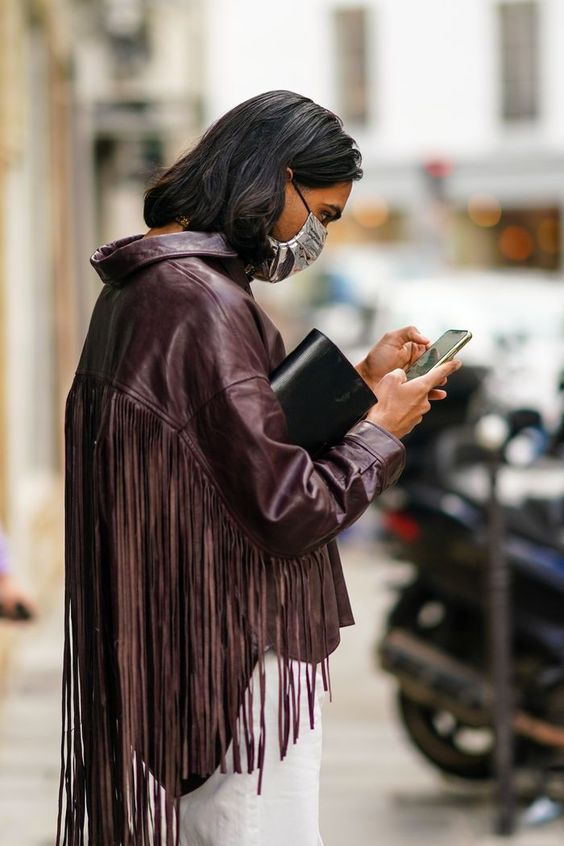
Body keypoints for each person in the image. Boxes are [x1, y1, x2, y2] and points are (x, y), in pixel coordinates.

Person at [56, 90, 460, 845]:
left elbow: (232, 449)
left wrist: (363, 393)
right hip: (236, 654)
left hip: (188, 646)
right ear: (273, 176)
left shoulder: (144, 293)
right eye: (323, 214)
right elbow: (285, 507)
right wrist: (381, 432)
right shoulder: (203, 302)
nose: (317, 237)